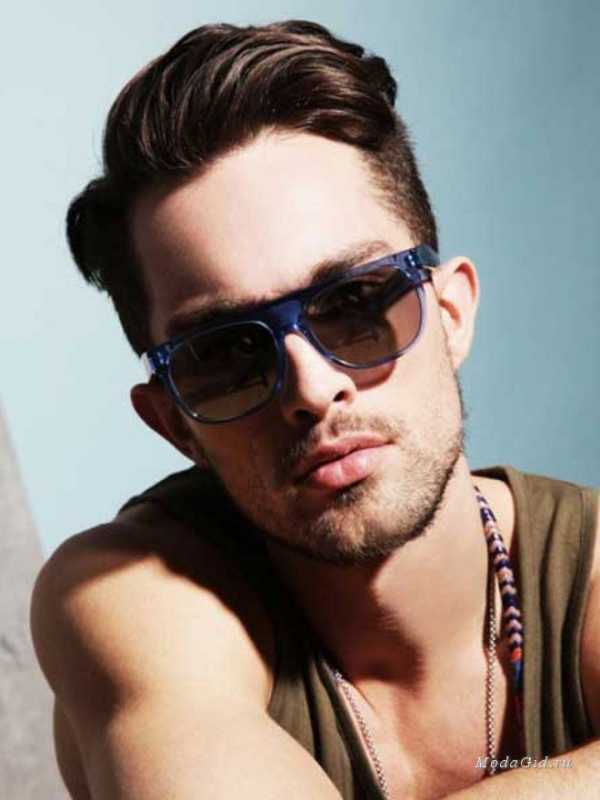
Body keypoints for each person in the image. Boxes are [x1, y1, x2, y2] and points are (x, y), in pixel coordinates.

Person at [31, 20, 599, 800]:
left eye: (355, 303)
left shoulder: (585, 575)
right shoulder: (132, 598)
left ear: (452, 313)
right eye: (226, 354)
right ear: (173, 422)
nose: (311, 387)